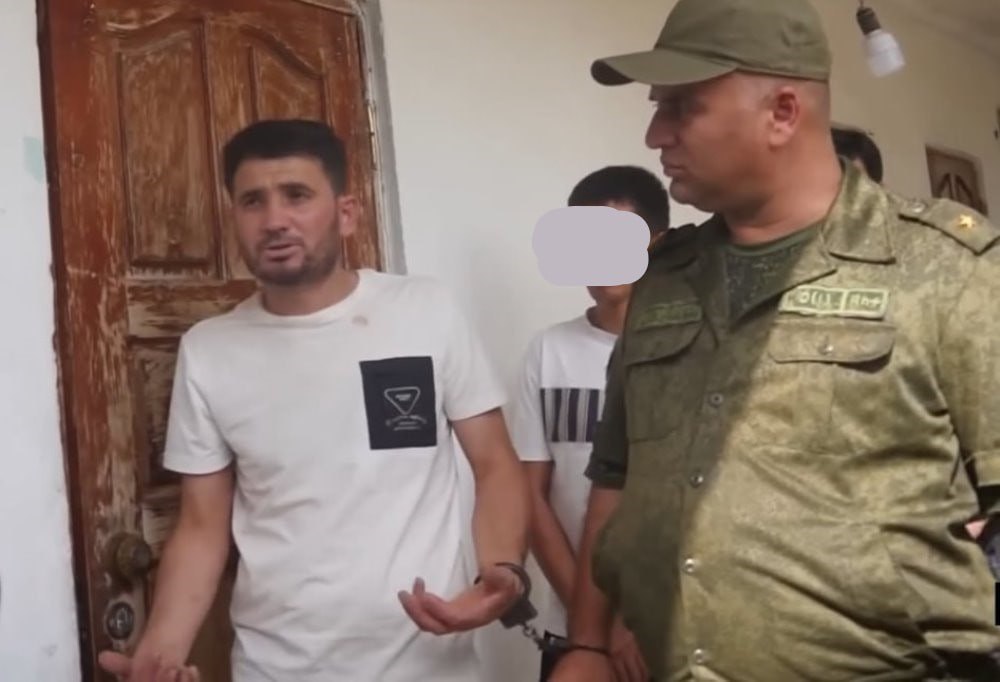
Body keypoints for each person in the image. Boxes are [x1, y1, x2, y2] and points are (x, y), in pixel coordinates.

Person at [550, 0, 1000, 680]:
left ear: (783, 113)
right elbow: (616, 476)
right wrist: (587, 642)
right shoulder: (662, 284)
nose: (654, 134)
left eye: (681, 107)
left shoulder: (945, 268)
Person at [98, 119, 531, 682]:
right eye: (253, 201)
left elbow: (495, 463)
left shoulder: (425, 311)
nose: (274, 219)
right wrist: (160, 654)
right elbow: (202, 527)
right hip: (276, 666)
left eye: (297, 195)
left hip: (428, 662)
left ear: (346, 213)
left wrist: (501, 571)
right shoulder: (209, 351)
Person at [509, 165, 669, 682]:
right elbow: (530, 496)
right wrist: (590, 622)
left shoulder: (691, 353)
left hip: (664, 633)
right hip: (572, 629)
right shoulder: (548, 351)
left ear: (656, 244)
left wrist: (631, 619)